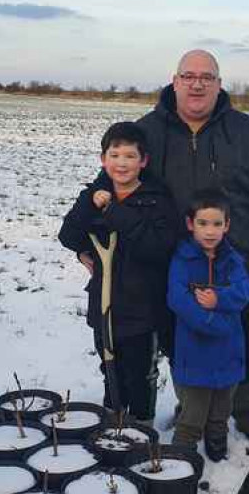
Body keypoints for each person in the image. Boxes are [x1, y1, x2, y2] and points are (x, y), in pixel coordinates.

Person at [137, 49, 249, 442]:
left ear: (219, 85)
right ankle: (193, 411)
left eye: (207, 76)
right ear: (175, 81)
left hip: (239, 265)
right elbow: (117, 184)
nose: (197, 83)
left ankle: (245, 413)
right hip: (175, 265)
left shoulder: (245, 131)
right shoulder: (148, 132)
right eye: (189, 76)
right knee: (181, 342)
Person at [58, 121, 180, 421]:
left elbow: (157, 247)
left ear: (143, 161)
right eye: (114, 155)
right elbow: (69, 236)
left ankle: (141, 425)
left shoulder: (156, 200)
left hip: (142, 306)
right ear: (103, 159)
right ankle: (113, 418)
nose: (121, 163)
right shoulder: (93, 195)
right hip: (104, 303)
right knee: (108, 362)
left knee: (139, 371)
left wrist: (114, 212)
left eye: (129, 156)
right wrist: (89, 208)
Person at [167, 188, 249, 461]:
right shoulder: (183, 260)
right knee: (193, 412)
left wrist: (219, 299)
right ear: (191, 224)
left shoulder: (232, 260)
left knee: (220, 410)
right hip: (195, 351)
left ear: (227, 225)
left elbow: (243, 290)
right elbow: (177, 298)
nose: (210, 231)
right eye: (203, 223)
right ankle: (181, 458)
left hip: (227, 351)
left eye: (217, 224)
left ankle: (217, 446)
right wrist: (210, 321)